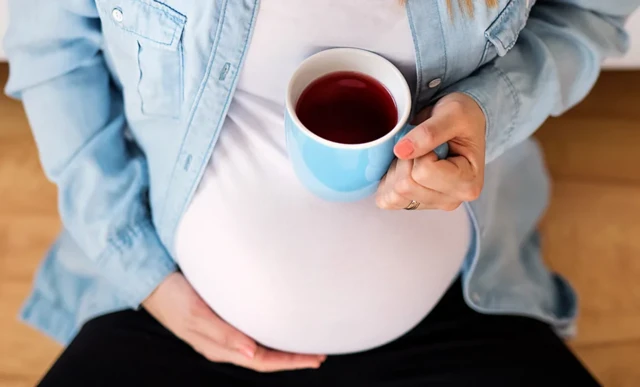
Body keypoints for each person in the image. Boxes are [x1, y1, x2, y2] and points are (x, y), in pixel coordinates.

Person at [4, 0, 638, 385]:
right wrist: (139, 272)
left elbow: (587, 14)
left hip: (456, 303)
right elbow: (53, 54)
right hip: (177, 305)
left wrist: (489, 111)